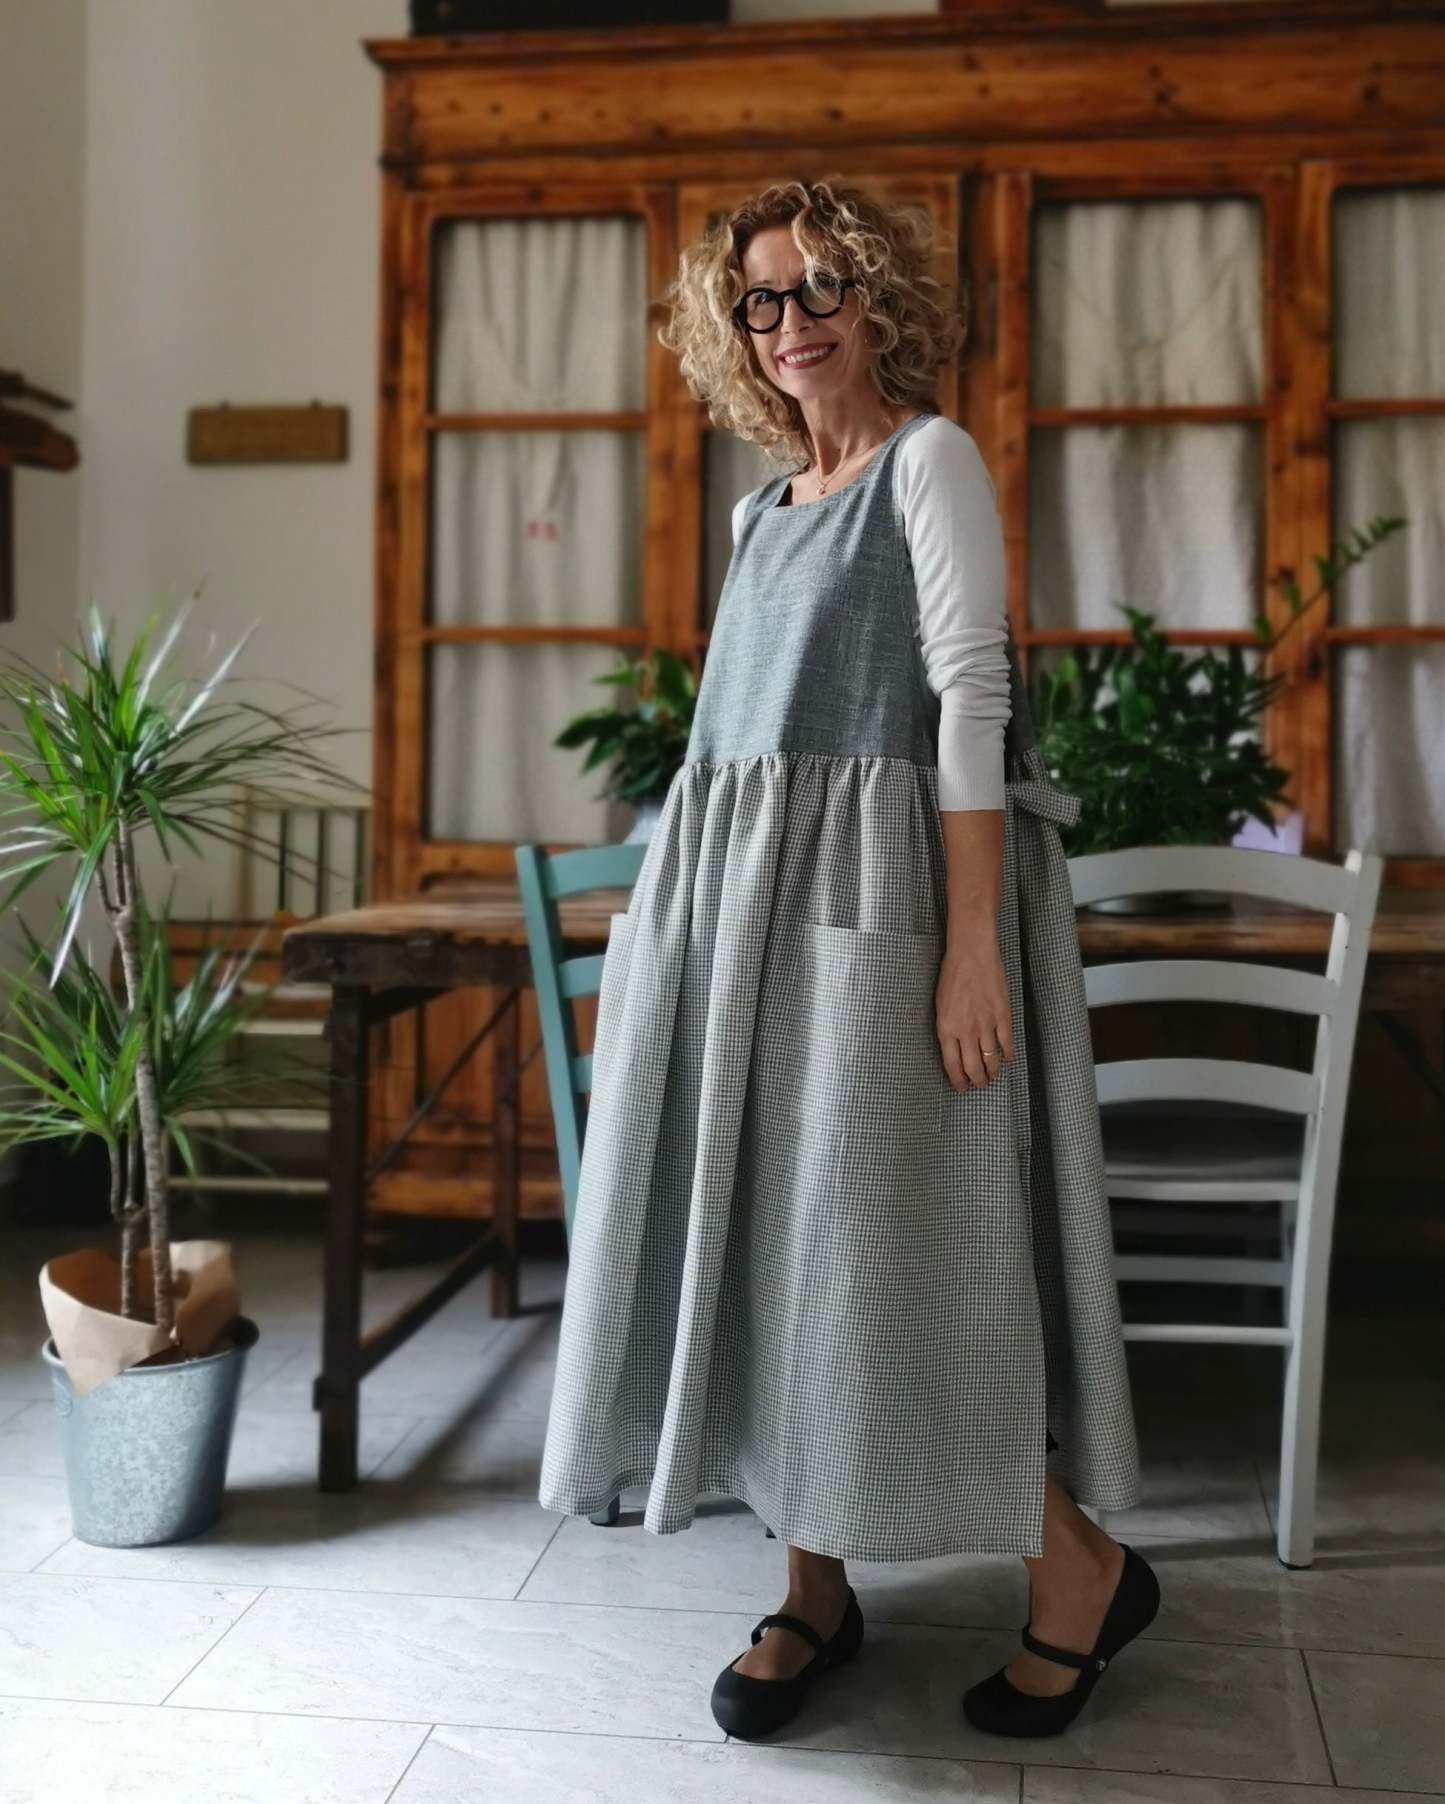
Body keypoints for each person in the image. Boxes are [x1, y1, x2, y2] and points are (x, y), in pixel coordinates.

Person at [539, 176, 1157, 1742]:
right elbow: (729, 756)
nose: (793, 321)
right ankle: (812, 1586)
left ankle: (1076, 1569)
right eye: (761, 299)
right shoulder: (761, 512)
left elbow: (969, 703)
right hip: (742, 925)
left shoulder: (925, 461)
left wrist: (969, 950)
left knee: (890, 1249)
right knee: (766, 1245)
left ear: (875, 298)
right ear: (733, 329)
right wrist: (669, 941)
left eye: (821, 285)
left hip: (881, 912)